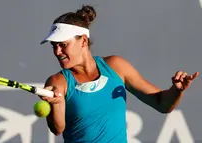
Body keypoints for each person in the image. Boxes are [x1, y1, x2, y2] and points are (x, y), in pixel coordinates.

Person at [39, 5, 199, 143]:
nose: (57, 51)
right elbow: (57, 129)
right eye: (54, 46)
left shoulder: (116, 66)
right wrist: (56, 103)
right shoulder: (58, 81)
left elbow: (162, 104)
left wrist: (177, 90)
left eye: (63, 45)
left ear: (83, 41)